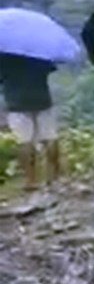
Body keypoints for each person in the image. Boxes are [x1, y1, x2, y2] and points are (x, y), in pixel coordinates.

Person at [0, 52, 60, 189]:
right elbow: (50, 69)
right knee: (50, 137)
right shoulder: (37, 52)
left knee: (24, 141)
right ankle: (54, 177)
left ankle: (31, 180)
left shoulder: (3, 56)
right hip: (42, 99)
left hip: (16, 103)